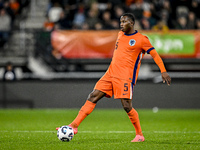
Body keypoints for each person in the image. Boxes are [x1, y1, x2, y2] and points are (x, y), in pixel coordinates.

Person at [56, 13, 171, 142]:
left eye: (124, 22)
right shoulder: (120, 34)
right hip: (110, 73)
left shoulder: (142, 39)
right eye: (120, 21)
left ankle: (139, 135)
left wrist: (163, 71)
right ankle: (74, 126)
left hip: (125, 77)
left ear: (132, 23)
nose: (121, 24)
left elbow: (155, 55)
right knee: (93, 96)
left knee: (127, 106)